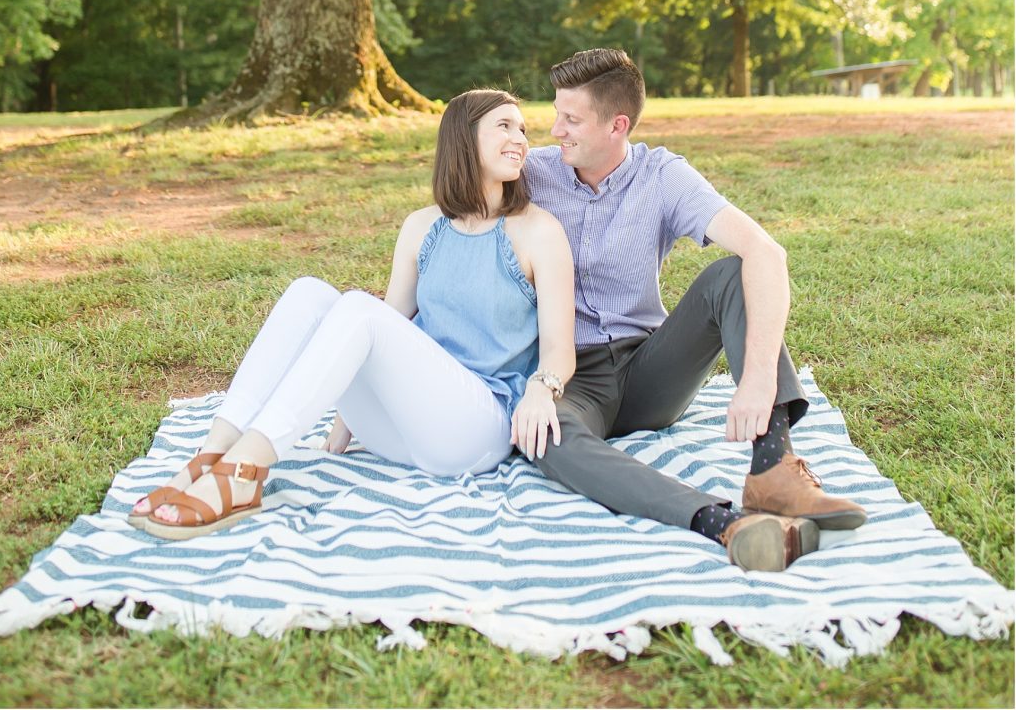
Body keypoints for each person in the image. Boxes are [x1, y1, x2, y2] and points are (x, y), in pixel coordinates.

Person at [130, 89, 574, 540]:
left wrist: (542, 389)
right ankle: (210, 457)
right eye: (504, 125)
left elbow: (559, 348)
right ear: (463, 136)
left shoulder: (538, 231)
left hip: (475, 433)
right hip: (398, 433)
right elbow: (391, 326)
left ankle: (246, 472)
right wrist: (347, 410)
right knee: (308, 294)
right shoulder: (422, 226)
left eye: (523, 128)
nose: (520, 138)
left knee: (361, 308)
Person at [522, 48, 866, 573]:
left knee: (730, 274)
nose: (554, 130)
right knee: (543, 436)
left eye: (570, 119)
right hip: (569, 376)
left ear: (617, 126)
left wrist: (755, 379)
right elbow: (455, 211)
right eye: (555, 113)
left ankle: (773, 469)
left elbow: (765, 252)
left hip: (649, 372)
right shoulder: (531, 174)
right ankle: (723, 523)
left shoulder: (661, 176)